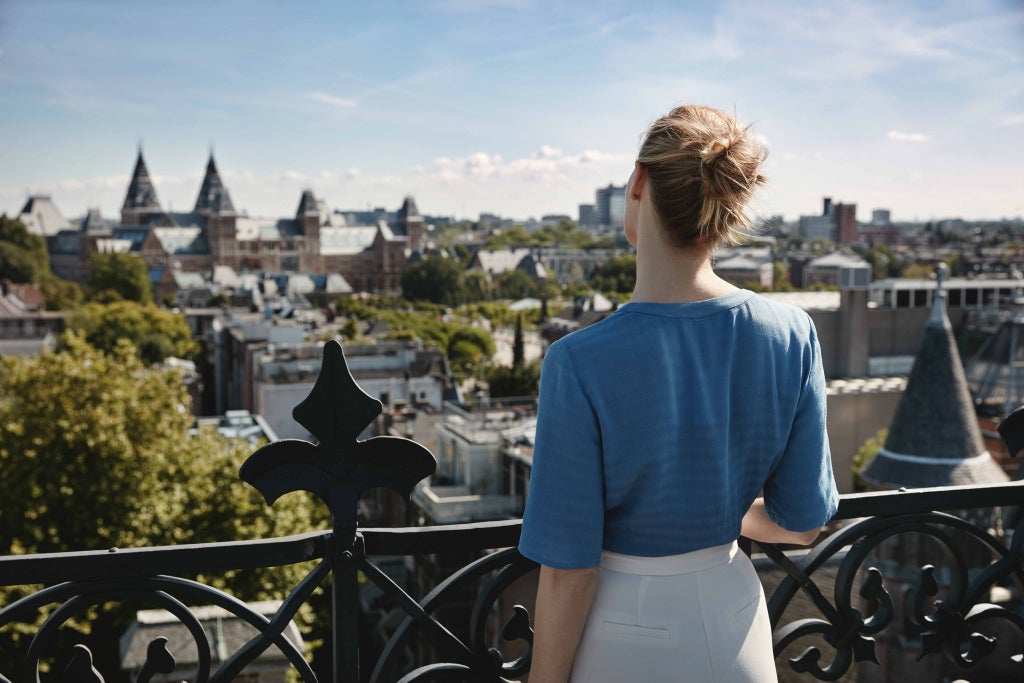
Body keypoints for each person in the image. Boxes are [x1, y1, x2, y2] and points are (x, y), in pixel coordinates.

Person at [518, 105, 839, 683]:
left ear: (638, 183)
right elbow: (802, 524)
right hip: (737, 619)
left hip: (623, 635)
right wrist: (715, 514)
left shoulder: (579, 361)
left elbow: (568, 571)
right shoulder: (792, 334)